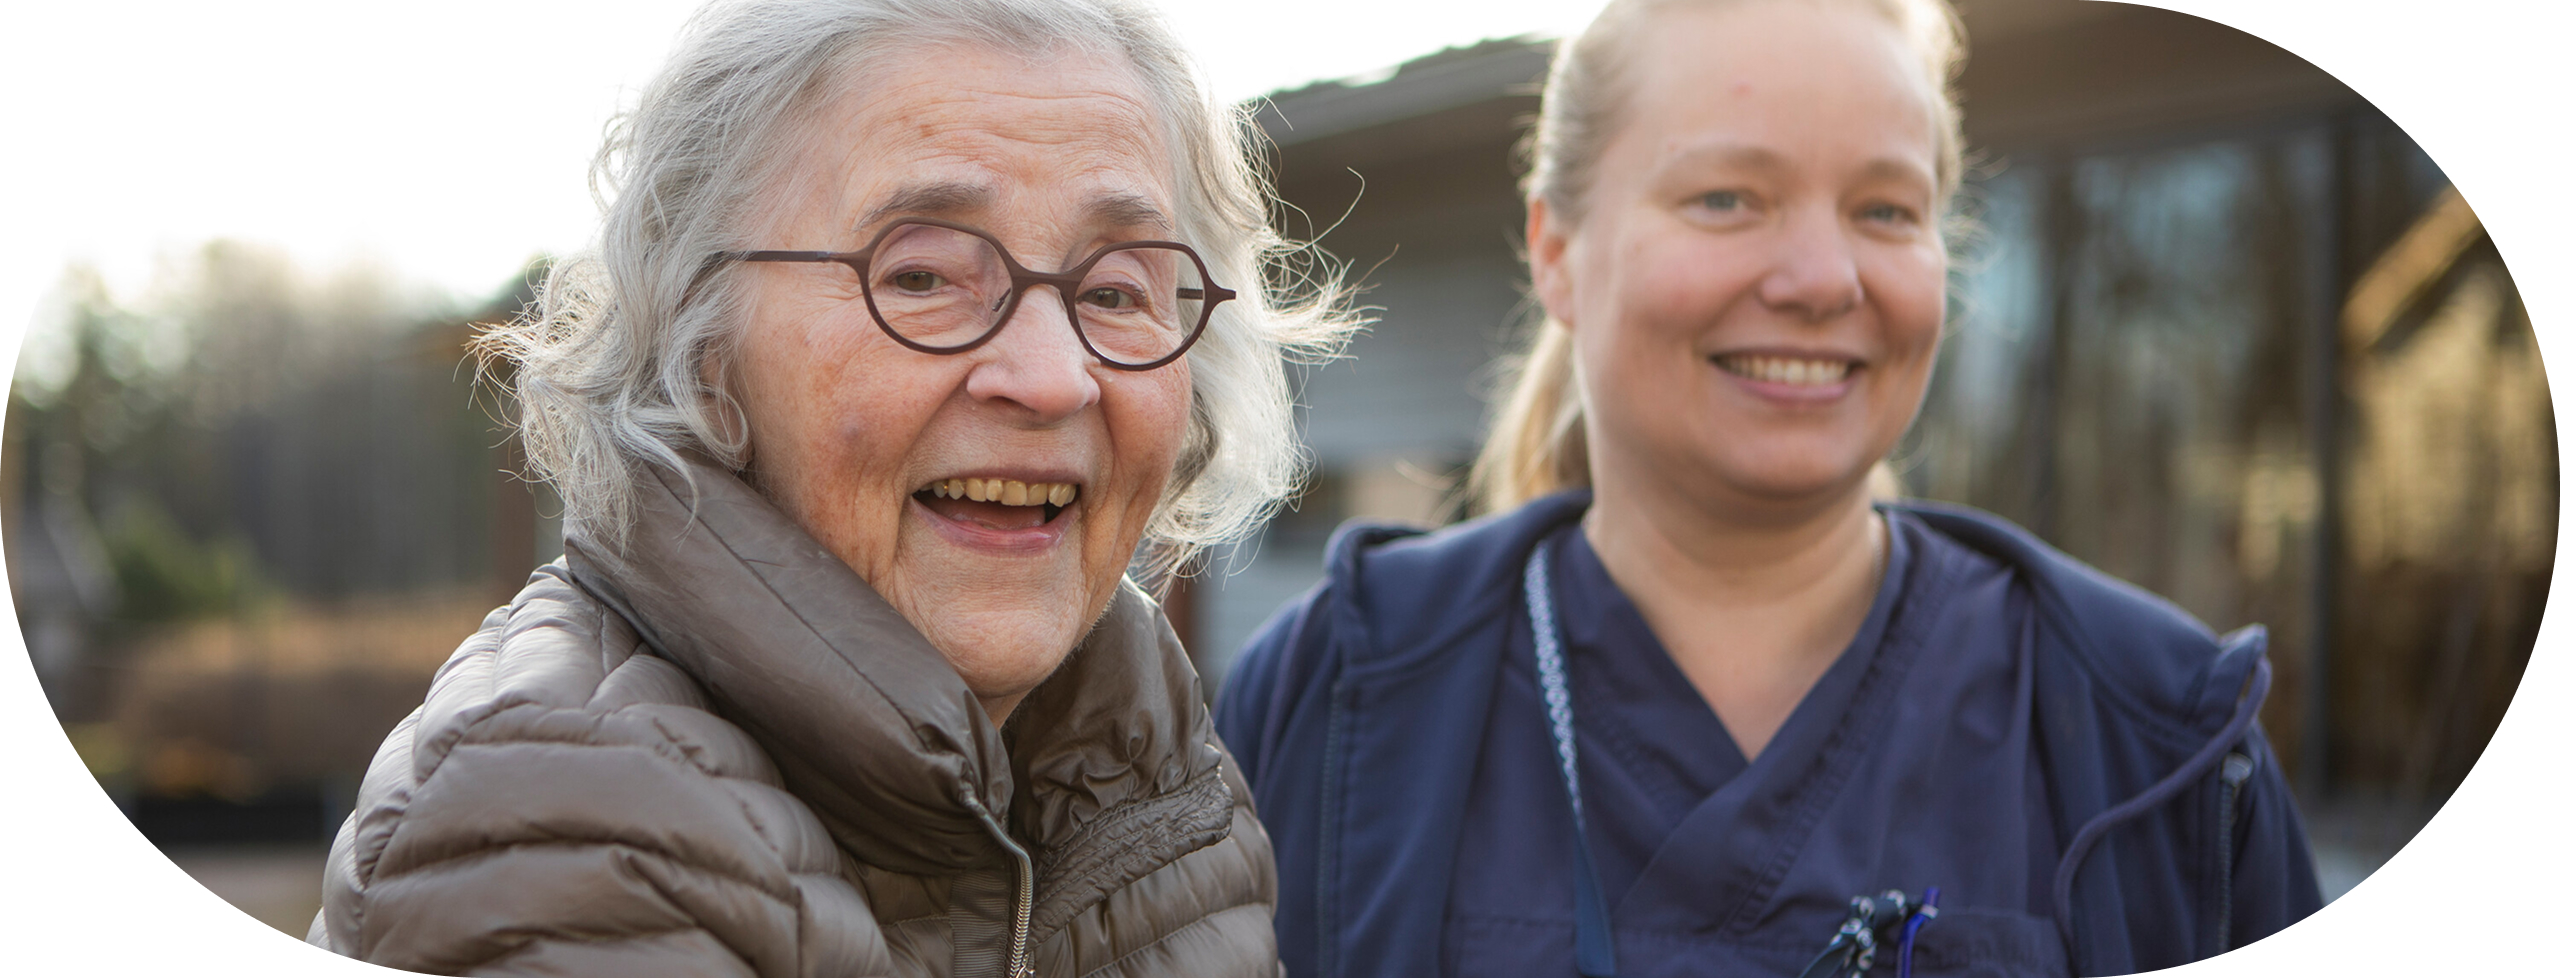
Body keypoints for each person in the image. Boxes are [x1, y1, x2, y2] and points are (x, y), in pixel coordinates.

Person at [1215, 0, 2325, 975]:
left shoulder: (2159, 743)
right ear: (1555, 250)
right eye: (1727, 198)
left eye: (1885, 210)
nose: (1821, 279)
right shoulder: (1333, 696)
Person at [305, 0, 1356, 974]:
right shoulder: (563, 828)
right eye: (922, 275)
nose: (1050, 376)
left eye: (1119, 289)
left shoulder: (1170, 789)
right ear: (702, 345)